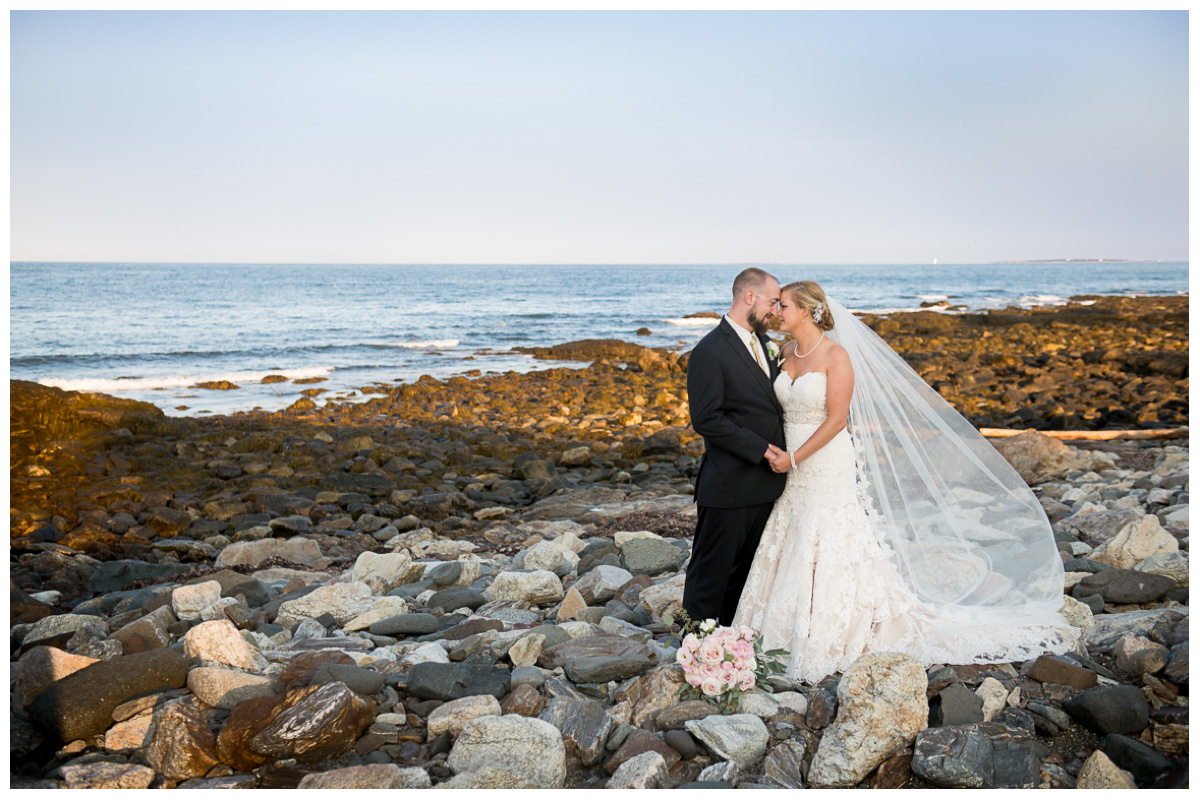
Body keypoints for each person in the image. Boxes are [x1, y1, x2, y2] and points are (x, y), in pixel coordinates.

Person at [734, 280, 1078, 685]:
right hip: (787, 463)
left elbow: (837, 420)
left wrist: (794, 457)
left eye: (784, 306)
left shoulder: (835, 355)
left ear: (807, 311)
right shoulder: (784, 352)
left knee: (827, 532)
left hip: (823, 460)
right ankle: (784, 627)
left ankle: (835, 627)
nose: (776, 313)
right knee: (790, 533)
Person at [683, 267, 789, 626]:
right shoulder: (709, 351)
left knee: (743, 578)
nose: (775, 310)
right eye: (772, 302)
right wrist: (763, 449)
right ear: (749, 297)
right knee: (710, 576)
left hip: (766, 485)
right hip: (729, 484)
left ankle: (729, 649)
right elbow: (707, 419)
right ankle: (696, 650)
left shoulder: (765, 345)